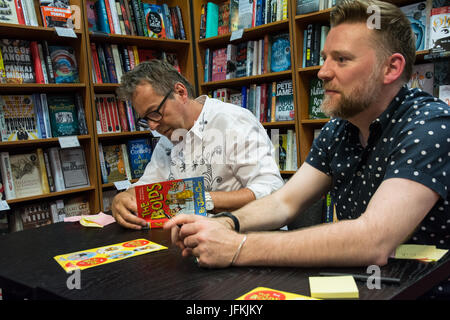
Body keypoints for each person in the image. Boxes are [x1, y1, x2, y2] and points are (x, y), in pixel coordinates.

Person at [164, 0, 449, 297]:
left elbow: (374, 240)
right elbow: (284, 202)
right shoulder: (339, 129)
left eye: (341, 59)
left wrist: (237, 247)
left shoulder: (430, 127)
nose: (322, 72)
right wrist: (227, 223)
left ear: (391, 68)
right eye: (325, 57)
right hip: (367, 286)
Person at [111, 59, 284, 229]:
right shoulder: (168, 137)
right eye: (145, 119)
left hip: (248, 239)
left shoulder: (233, 122)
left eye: (155, 113)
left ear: (180, 92)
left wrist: (198, 199)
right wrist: (123, 198)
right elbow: (148, 185)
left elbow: (271, 190)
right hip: (195, 240)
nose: (152, 126)